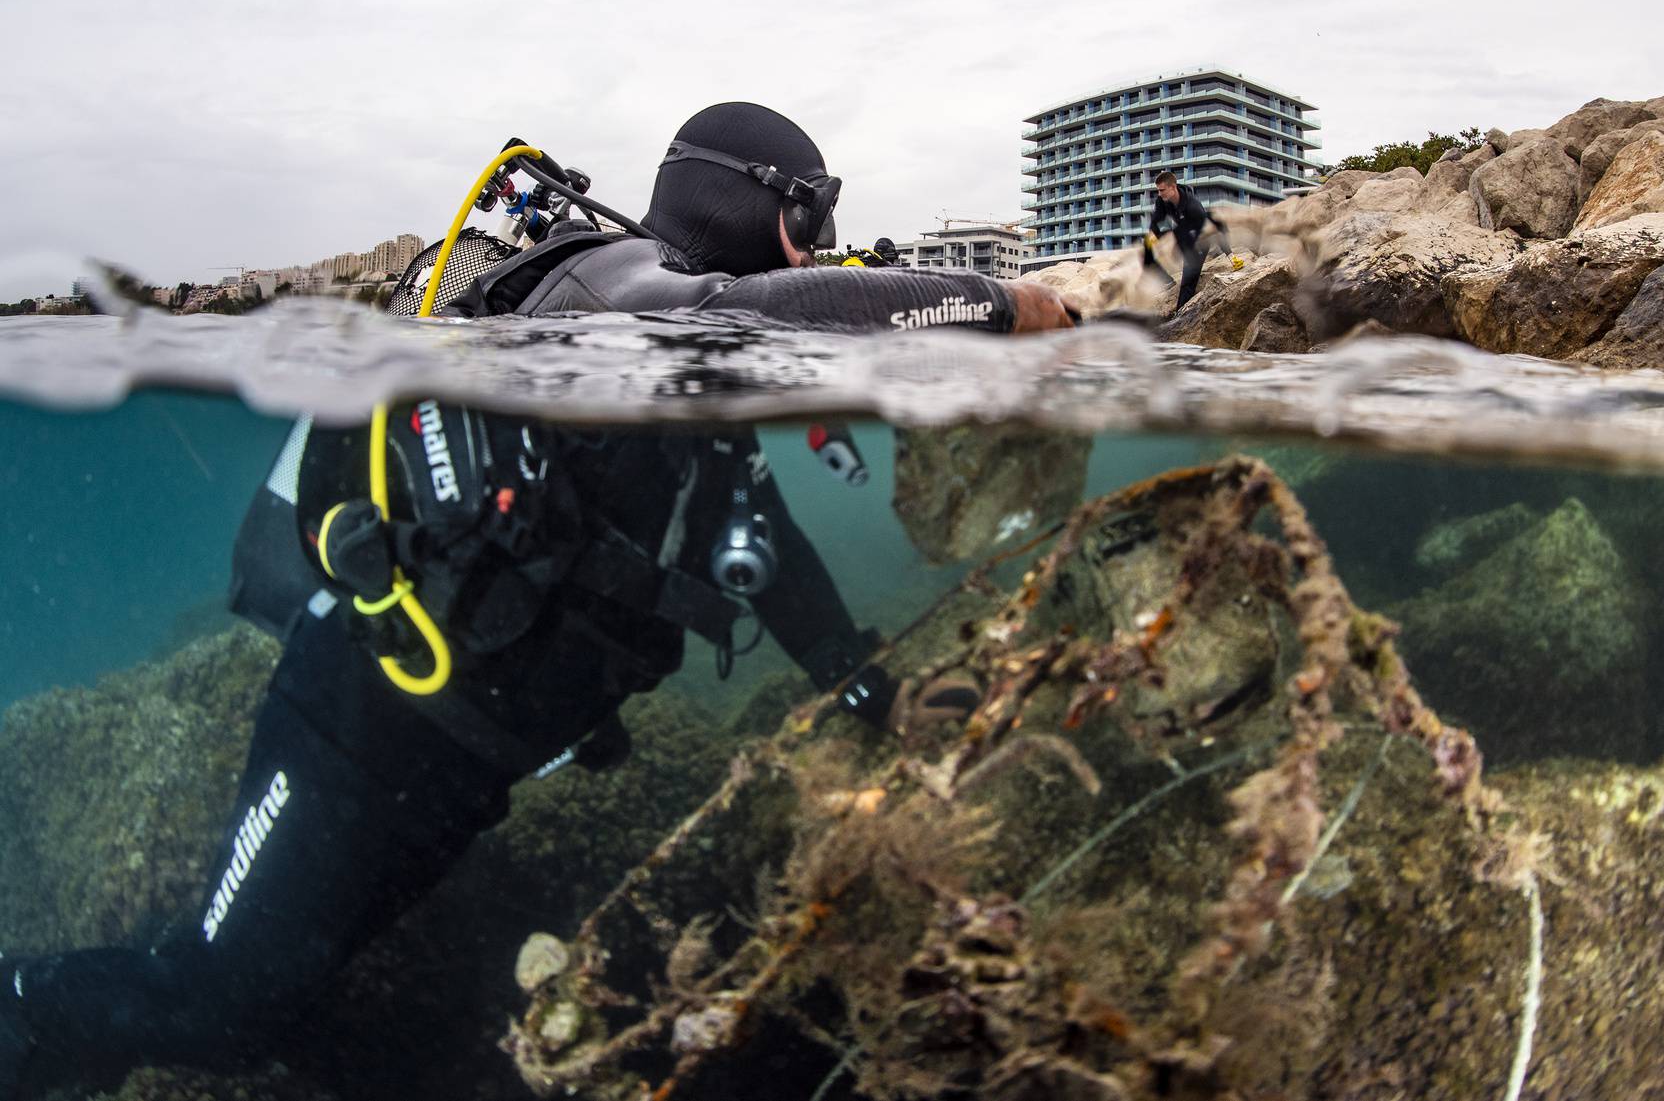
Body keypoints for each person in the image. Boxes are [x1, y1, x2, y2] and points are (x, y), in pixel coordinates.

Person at [0, 103, 1075, 1098]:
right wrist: (996, 302)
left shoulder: (701, 411)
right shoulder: (609, 287)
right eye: (812, 214)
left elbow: (773, 559)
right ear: (755, 202)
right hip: (356, 728)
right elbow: (722, 314)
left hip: (461, 778)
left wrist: (867, 692)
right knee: (214, 1001)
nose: (819, 244)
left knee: (275, 1002)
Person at [1141, 169, 1226, 312]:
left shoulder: (1194, 207)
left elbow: (1214, 229)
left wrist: (1229, 253)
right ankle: (1167, 281)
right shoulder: (1161, 200)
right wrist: (1151, 242)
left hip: (1198, 240)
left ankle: (1180, 312)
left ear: (1173, 187)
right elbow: (1156, 223)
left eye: (1162, 190)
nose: (1159, 194)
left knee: (1188, 280)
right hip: (1177, 229)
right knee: (1146, 251)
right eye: (1158, 191)